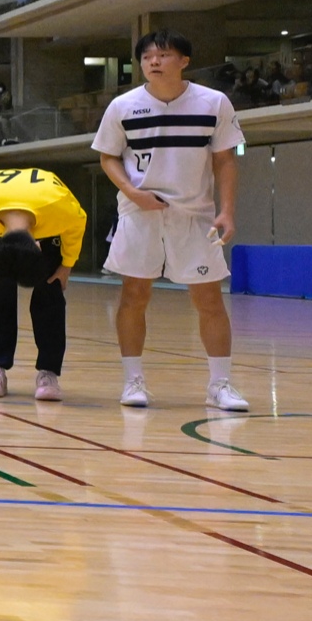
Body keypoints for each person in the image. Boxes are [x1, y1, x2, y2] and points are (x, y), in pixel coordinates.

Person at [92, 30, 250, 411]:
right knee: (134, 295)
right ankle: (133, 382)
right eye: (147, 57)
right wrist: (132, 193)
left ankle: (220, 385)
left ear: (184, 61)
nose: (154, 61)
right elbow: (108, 156)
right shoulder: (123, 106)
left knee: (209, 298)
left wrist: (227, 210)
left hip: (194, 215)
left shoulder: (214, 103)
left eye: (163, 55)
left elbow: (225, 159)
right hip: (139, 213)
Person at [0, 168, 87, 402]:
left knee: (50, 296)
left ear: (38, 246)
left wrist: (66, 265)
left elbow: (79, 222)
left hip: (47, 217)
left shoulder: (61, 211)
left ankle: (48, 372)